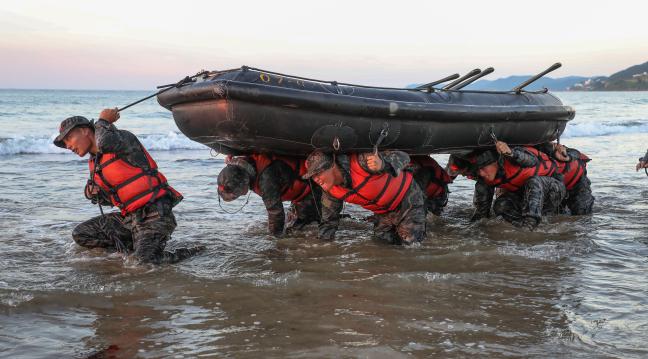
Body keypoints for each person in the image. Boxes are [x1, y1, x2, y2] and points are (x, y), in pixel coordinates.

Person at [53, 108, 203, 264]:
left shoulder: (122, 140)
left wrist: (103, 121)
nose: (68, 146)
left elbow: (104, 142)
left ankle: (190, 253)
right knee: (81, 233)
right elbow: (110, 200)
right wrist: (92, 193)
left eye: (69, 138)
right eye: (65, 143)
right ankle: (135, 249)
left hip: (155, 216)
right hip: (129, 220)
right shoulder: (95, 163)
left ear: (85, 130)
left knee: (143, 263)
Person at [302, 150, 426, 245]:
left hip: (408, 202)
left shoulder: (362, 161)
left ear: (332, 166)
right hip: (384, 213)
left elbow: (404, 156)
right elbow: (328, 223)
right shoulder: (330, 192)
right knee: (381, 243)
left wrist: (383, 164)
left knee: (411, 245)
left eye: (318, 173)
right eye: (312, 176)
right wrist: (320, 248)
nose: (316, 179)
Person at [217, 154, 320, 236]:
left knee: (300, 230)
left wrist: (274, 238)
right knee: (290, 222)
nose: (243, 194)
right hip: (298, 193)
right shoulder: (243, 163)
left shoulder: (266, 181)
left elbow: (276, 213)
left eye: (237, 194)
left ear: (243, 182)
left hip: (312, 189)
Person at [471, 141, 566, 230]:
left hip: (553, 190)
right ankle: (521, 224)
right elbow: (481, 214)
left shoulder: (513, 157)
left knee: (533, 181)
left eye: (483, 168)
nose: (481, 173)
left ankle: (530, 225)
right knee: (500, 204)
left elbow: (532, 160)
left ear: (495, 163)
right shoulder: (486, 178)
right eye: (479, 170)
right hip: (526, 195)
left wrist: (511, 153)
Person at [536, 142, 594, 215]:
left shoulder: (554, 148)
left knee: (583, 214)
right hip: (557, 187)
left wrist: (567, 157)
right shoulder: (530, 151)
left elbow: (575, 152)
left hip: (577, 183)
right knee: (558, 212)